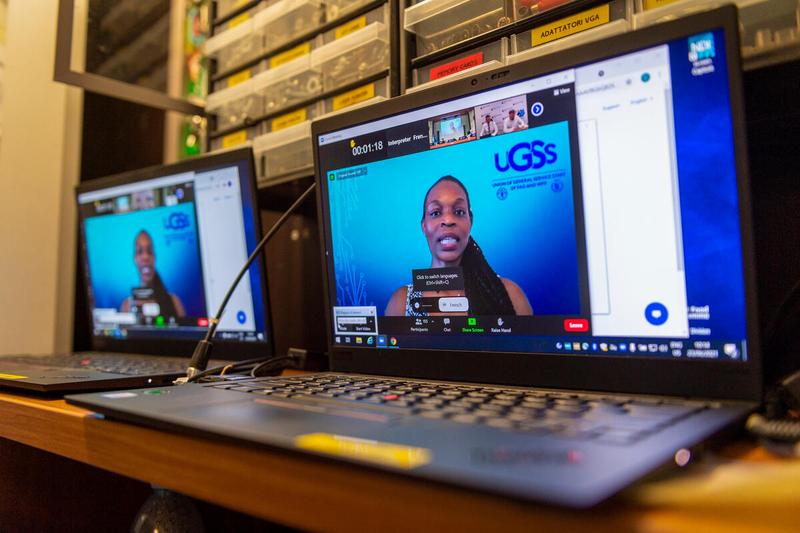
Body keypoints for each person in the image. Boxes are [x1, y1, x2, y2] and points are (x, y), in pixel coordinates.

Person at [385, 176, 532, 316]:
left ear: (470, 222)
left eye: (459, 212)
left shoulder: (511, 295)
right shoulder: (401, 303)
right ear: (424, 226)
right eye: (436, 213)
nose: (448, 220)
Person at [120, 230, 186, 319]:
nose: (145, 257)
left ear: (154, 257)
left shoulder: (174, 301)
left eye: (150, 251)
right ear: (135, 259)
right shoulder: (127, 306)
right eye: (139, 251)